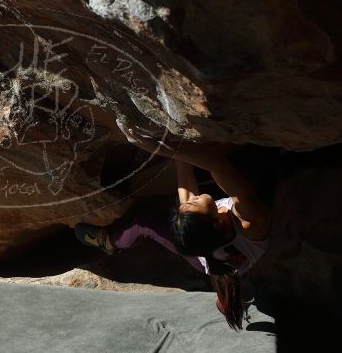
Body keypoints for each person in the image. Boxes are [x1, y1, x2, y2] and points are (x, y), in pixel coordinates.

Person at [75, 124, 272, 330]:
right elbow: (215, 164)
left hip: (213, 257)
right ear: (215, 221)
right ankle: (108, 242)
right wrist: (162, 147)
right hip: (215, 257)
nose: (191, 199)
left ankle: (108, 242)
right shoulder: (250, 220)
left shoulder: (212, 229)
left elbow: (189, 184)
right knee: (144, 222)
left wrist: (170, 143)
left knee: (144, 221)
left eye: (190, 203)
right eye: (193, 204)